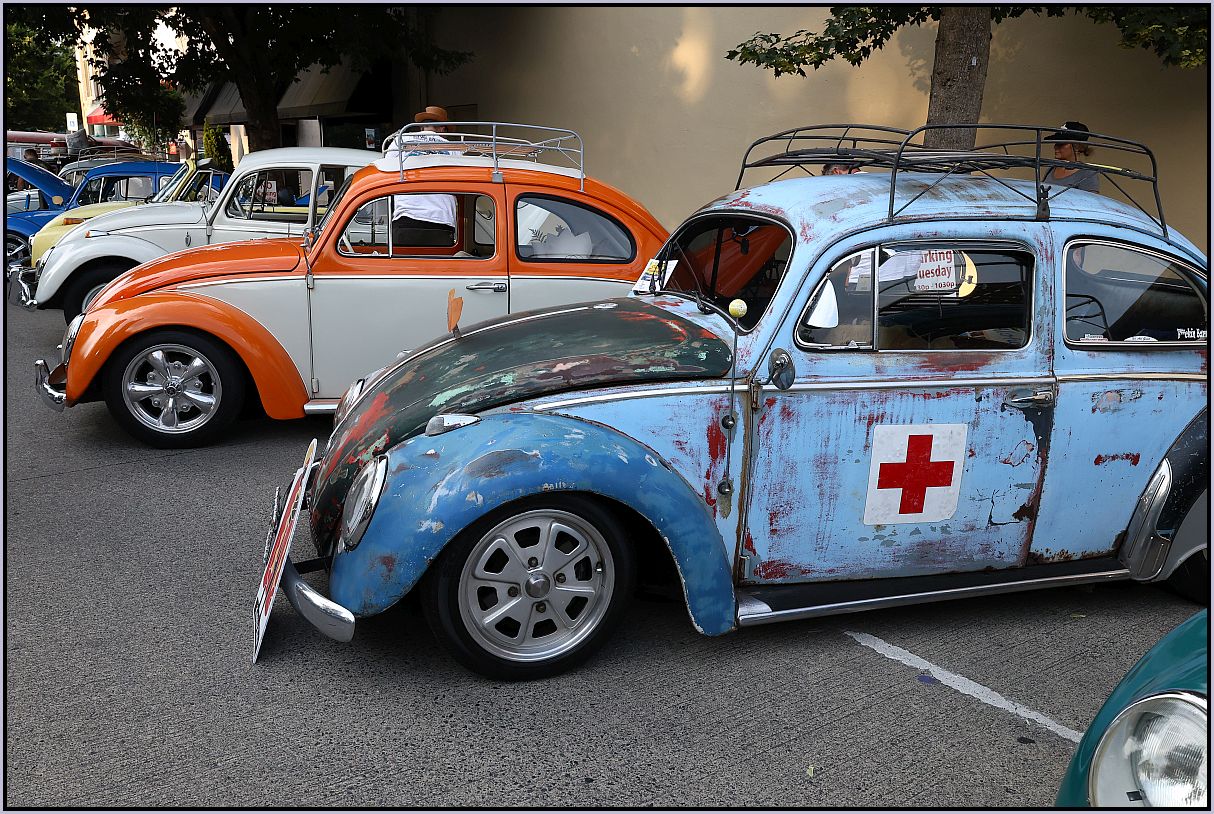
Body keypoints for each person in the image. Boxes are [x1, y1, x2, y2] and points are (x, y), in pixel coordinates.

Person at [388, 105, 458, 248]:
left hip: (406, 218)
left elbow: (387, 169)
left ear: (421, 127)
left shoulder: (401, 140)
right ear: (442, 129)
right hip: (441, 221)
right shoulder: (454, 149)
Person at [1042, 122, 1099, 193]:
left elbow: (1091, 199)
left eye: (1062, 143)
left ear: (1077, 146)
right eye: (1056, 143)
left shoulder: (1088, 174)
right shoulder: (1051, 169)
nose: (1055, 147)